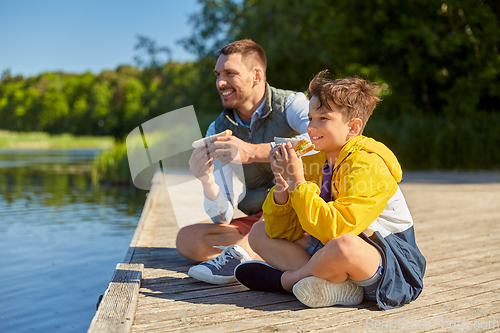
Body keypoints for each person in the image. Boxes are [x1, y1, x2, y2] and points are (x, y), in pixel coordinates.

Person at [234, 70, 426, 310]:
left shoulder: (368, 165)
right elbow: (283, 231)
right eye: (310, 117)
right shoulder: (315, 160)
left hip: (388, 265)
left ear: (353, 128)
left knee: (343, 245)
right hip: (328, 250)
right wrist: (283, 187)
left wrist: (298, 182)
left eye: (322, 118)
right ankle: (336, 285)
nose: (311, 127)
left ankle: (286, 281)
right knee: (259, 232)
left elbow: (337, 230)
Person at [175, 39, 310, 284]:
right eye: (218, 75)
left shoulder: (292, 104)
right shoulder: (217, 128)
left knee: (266, 224)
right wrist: (207, 182)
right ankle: (268, 253)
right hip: (258, 217)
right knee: (187, 239)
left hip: (302, 210)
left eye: (230, 74)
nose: (220, 83)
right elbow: (222, 217)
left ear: (257, 75)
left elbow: (317, 138)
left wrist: (253, 152)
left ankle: (246, 253)